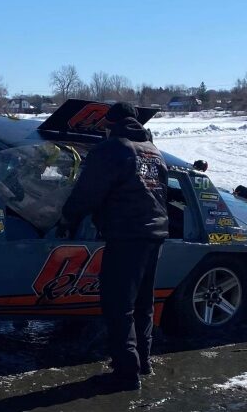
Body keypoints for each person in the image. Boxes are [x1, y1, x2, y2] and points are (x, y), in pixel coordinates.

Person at [59, 102, 168, 391]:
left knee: (119, 305)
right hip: (155, 233)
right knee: (143, 302)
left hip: (126, 234)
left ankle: (125, 373)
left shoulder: (112, 149)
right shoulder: (152, 150)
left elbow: (88, 191)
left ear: (110, 122)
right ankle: (142, 362)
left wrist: (67, 217)